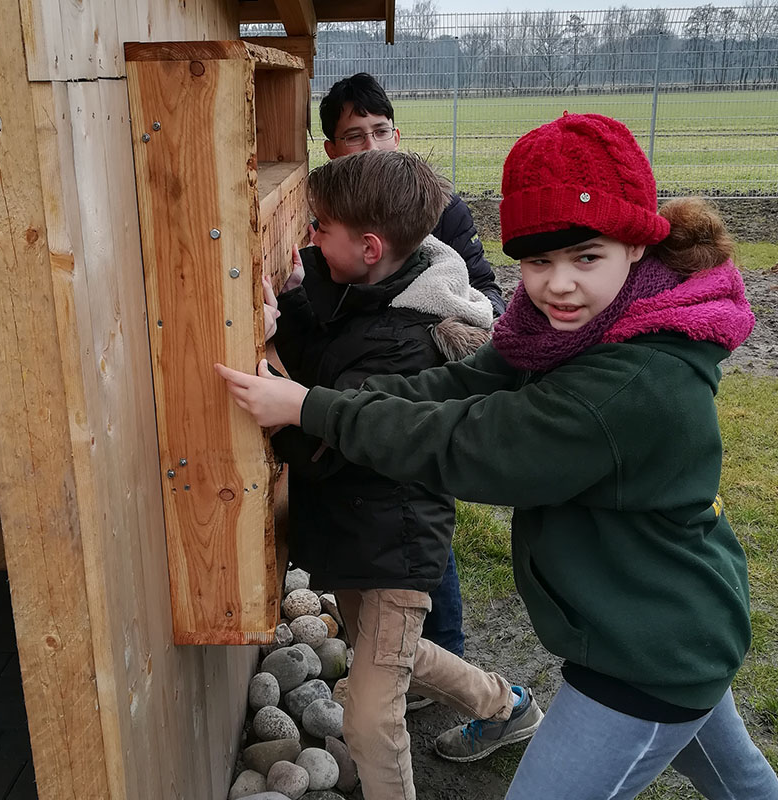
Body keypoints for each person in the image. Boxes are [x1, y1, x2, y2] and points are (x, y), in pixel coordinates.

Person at [215, 114, 778, 799]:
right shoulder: (564, 332)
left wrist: (312, 408)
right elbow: (457, 384)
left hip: (645, 657)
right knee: (742, 783)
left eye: (585, 256)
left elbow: (471, 441)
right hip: (671, 618)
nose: (558, 284)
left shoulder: (626, 383)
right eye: (538, 261)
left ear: (636, 245)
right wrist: (318, 397)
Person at [219, 149, 542, 800]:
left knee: (369, 718)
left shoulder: (405, 338)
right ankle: (507, 705)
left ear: (368, 246)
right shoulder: (379, 294)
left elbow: (331, 440)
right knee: (394, 655)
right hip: (361, 534)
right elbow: (334, 362)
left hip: (395, 547)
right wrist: (290, 310)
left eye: (319, 227)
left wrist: (278, 389)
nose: (309, 236)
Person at [320, 72, 502, 666]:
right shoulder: (332, 210)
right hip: (364, 369)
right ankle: (407, 656)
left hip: (418, 377)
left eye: (380, 132)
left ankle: (443, 648)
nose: (371, 146)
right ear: (330, 149)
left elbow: (483, 291)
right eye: (354, 136)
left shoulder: (436, 206)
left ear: (397, 134)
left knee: (419, 510)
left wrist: (450, 329)